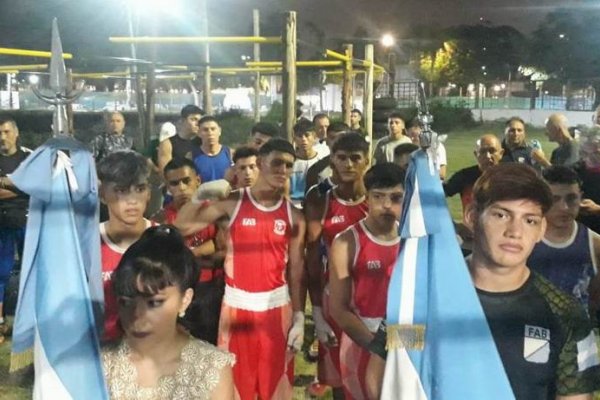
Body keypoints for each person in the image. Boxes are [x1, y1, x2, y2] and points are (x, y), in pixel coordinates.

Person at [175, 138, 306, 400]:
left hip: (276, 311)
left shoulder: (294, 215)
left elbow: (297, 270)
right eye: (276, 163)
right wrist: (201, 195)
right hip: (236, 309)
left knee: (275, 388)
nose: (282, 170)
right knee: (235, 388)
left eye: (289, 165)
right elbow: (182, 226)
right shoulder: (232, 204)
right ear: (260, 163)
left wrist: (300, 316)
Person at [463, 163, 600, 399]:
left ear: (541, 230)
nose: (515, 231)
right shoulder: (421, 294)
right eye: (501, 215)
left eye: (530, 220)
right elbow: (389, 372)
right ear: (472, 217)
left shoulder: (566, 314)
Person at [102, 225, 235, 400]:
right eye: (126, 302)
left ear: (185, 300)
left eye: (154, 302)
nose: (138, 316)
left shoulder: (212, 368)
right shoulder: (101, 365)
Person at [329, 162, 404, 400]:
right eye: (378, 196)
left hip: (406, 336)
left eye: (396, 197)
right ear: (367, 197)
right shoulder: (347, 242)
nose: (386, 205)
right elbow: (338, 309)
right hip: (363, 339)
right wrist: (378, 348)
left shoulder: (413, 240)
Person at [304, 133, 370, 398]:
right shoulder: (320, 199)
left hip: (377, 301)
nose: (348, 164)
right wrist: (317, 312)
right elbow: (311, 260)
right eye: (341, 158)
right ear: (331, 160)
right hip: (336, 301)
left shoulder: (381, 198)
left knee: (382, 372)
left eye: (355, 158)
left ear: (366, 161)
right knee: (340, 380)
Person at [152, 157, 225, 344]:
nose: (182, 188)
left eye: (186, 181)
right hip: (177, 289)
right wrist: (204, 251)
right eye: (175, 183)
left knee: (211, 348)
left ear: (198, 181)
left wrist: (190, 254)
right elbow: (163, 256)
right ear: (167, 187)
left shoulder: (214, 211)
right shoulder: (160, 217)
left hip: (210, 289)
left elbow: (222, 250)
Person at [527, 166, 600, 319]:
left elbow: (594, 297)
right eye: (555, 199)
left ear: (581, 197)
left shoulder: (594, 244)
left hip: (578, 339)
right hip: (529, 337)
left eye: (571, 198)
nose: (564, 207)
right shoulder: (520, 239)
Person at [97, 151, 154, 342]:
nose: (132, 200)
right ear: (102, 194)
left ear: (149, 193)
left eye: (139, 189)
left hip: (153, 356)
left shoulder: (164, 240)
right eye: (121, 190)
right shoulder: (86, 243)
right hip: (102, 354)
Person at [0, 116, 30, 343]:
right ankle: (1, 324)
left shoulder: (28, 158)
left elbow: (34, 187)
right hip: (2, 224)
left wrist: (5, 183)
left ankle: (29, 323)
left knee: (32, 273)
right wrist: (19, 186)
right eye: (0, 133)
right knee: (1, 274)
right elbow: (26, 187)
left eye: (7, 132)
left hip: (27, 222)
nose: (3, 137)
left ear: (16, 133)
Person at [444, 133, 504, 215]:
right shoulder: (464, 176)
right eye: (482, 152)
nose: (488, 156)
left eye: (492, 151)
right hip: (471, 227)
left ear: (501, 154)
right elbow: (440, 193)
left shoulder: (510, 179)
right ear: (476, 155)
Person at [305, 121, 350, 192]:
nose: (337, 142)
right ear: (326, 141)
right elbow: (311, 199)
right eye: (333, 138)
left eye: (342, 138)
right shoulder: (316, 170)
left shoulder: (359, 167)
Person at [157, 104, 203, 172]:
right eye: (193, 119)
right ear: (183, 120)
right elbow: (164, 172)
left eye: (199, 120)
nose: (197, 123)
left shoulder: (203, 142)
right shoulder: (168, 143)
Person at [290, 119, 322, 207]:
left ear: (314, 136)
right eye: (299, 136)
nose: (303, 139)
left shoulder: (322, 161)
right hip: (293, 204)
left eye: (307, 135)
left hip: (317, 205)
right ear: (294, 138)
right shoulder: (289, 162)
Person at [192, 116, 233, 183]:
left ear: (219, 131)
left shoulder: (230, 153)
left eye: (213, 129)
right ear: (199, 133)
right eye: (205, 130)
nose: (210, 133)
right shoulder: (191, 156)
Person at [575, 128, 600, 235]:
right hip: (580, 235)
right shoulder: (574, 171)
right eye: (585, 153)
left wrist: (598, 209)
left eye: (596, 153)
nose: (590, 158)